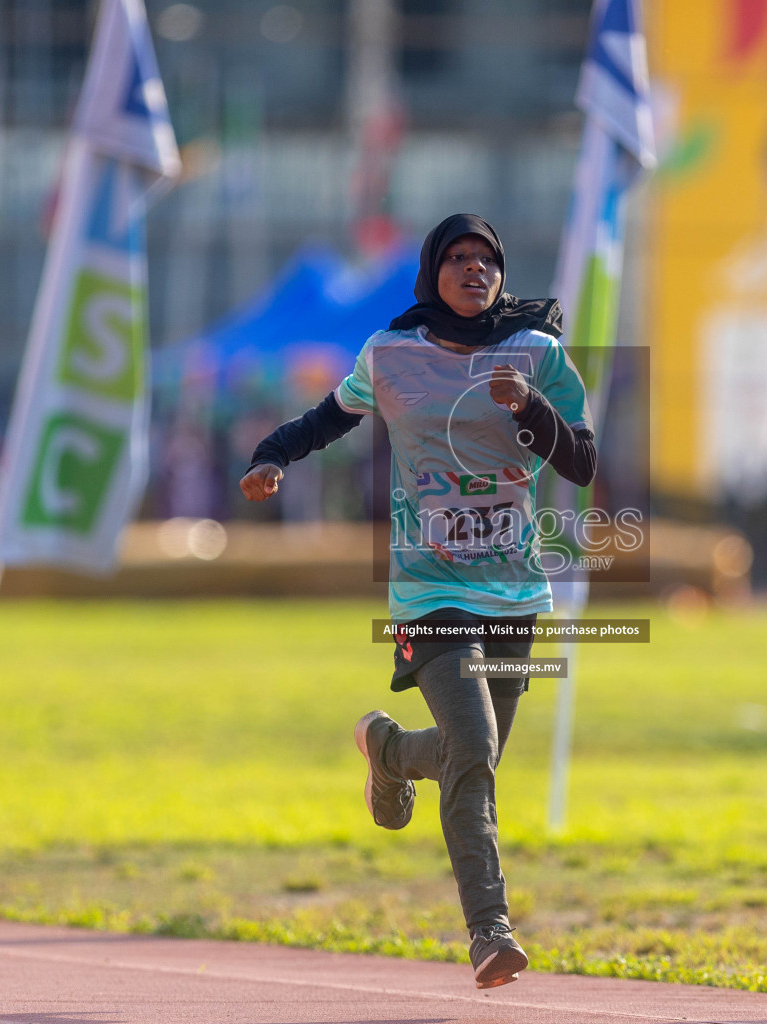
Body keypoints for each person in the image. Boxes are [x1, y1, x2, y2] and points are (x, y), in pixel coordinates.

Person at [240, 213, 595, 989]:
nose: (475, 270)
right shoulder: (392, 353)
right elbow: (328, 418)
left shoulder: (538, 353)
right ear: (432, 271)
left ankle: (391, 750)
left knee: (480, 751)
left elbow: (584, 464)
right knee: (473, 752)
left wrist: (531, 410)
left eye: (487, 259)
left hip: (513, 591)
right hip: (429, 590)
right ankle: (490, 931)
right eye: (458, 258)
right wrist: (273, 457)